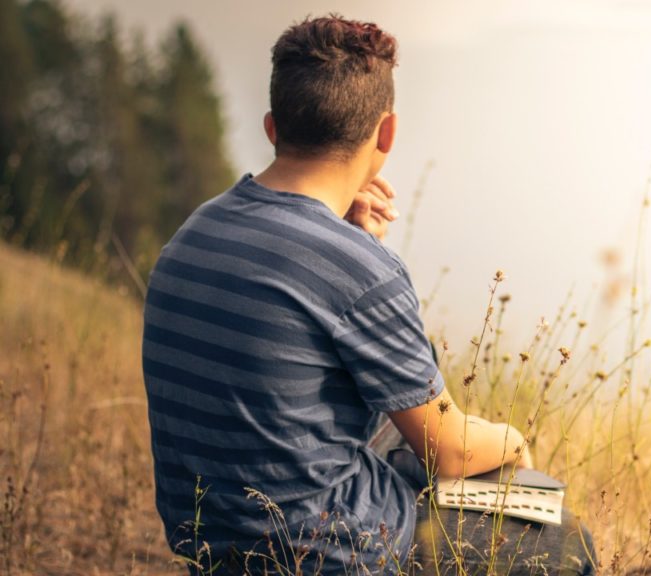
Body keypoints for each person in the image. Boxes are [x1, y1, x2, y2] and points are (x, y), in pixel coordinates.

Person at [141, 14, 596, 576]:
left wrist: (351, 242)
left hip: (214, 547)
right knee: (564, 543)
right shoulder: (361, 270)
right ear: (386, 134)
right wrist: (513, 440)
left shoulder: (195, 231)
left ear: (272, 127)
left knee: (398, 442)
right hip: (324, 553)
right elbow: (448, 450)